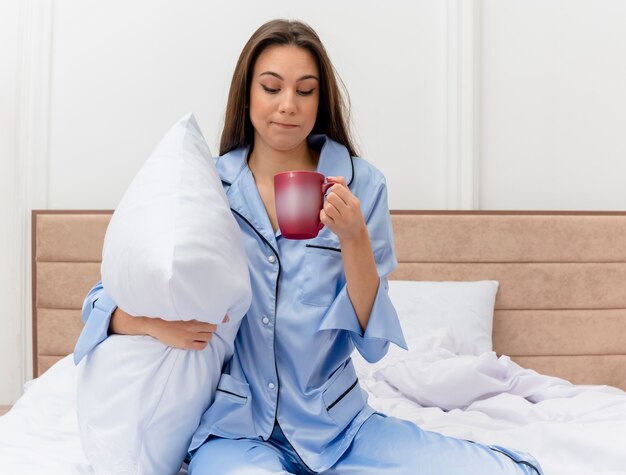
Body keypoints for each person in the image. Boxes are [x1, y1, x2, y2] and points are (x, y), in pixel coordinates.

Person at [74, 18, 543, 475]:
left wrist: (354, 236)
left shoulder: (363, 184)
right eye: (271, 87)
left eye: (305, 90)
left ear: (321, 99)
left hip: (338, 427)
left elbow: (373, 341)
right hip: (236, 432)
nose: (288, 106)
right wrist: (153, 324)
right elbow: (105, 297)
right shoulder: (207, 187)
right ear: (247, 93)